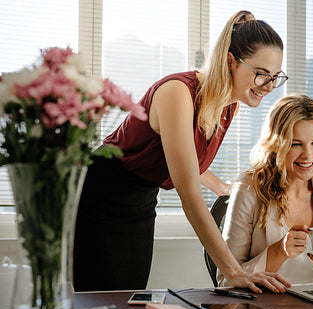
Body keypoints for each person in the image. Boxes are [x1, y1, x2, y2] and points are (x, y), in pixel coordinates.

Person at [73, 10, 291, 293]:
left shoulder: (228, 105)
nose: (270, 86)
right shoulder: (178, 92)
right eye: (262, 75)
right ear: (229, 62)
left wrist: (227, 190)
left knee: (128, 298)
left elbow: (191, 162)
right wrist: (234, 273)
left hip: (142, 198)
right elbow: (188, 194)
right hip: (102, 194)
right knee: (101, 303)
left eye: (276, 77)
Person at [218, 95, 313, 286]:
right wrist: (280, 251)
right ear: (276, 145)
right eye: (295, 144)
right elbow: (227, 280)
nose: (308, 155)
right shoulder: (249, 190)